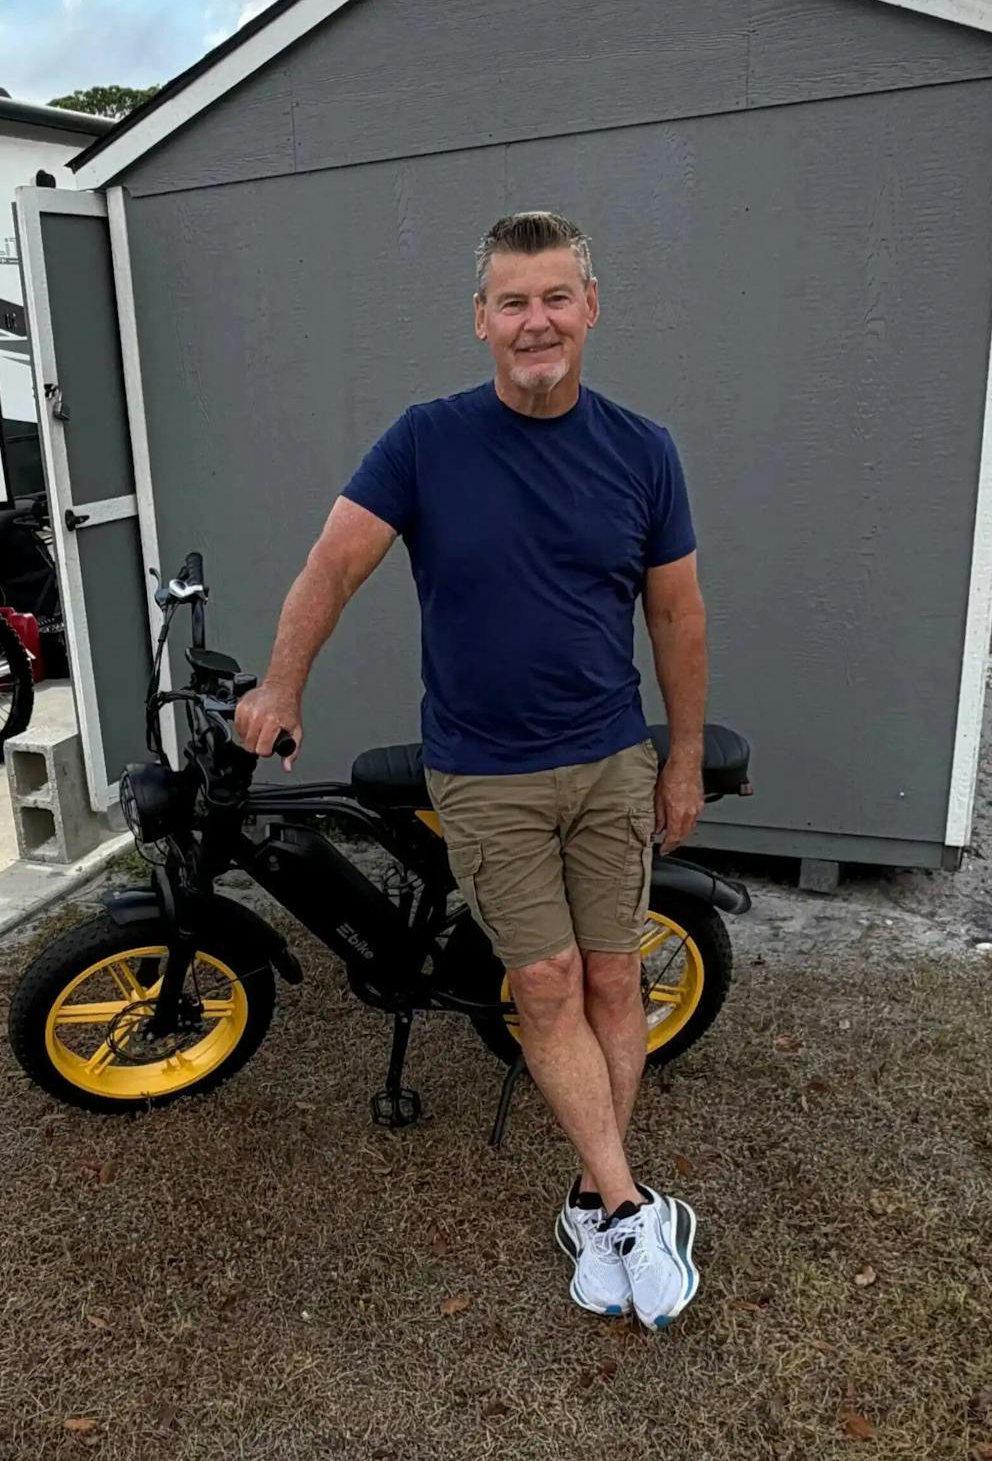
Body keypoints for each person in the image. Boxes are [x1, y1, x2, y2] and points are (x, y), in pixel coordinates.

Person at [236, 211, 708, 1329]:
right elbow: (332, 565)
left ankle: (595, 1199)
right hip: (487, 774)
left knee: (613, 981)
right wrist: (281, 684)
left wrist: (681, 755)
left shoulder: (643, 450)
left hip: (609, 760)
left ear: (591, 307)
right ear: (481, 320)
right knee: (543, 984)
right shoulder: (425, 441)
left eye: (555, 297)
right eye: (512, 302)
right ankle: (631, 1207)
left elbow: (676, 613)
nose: (535, 321)